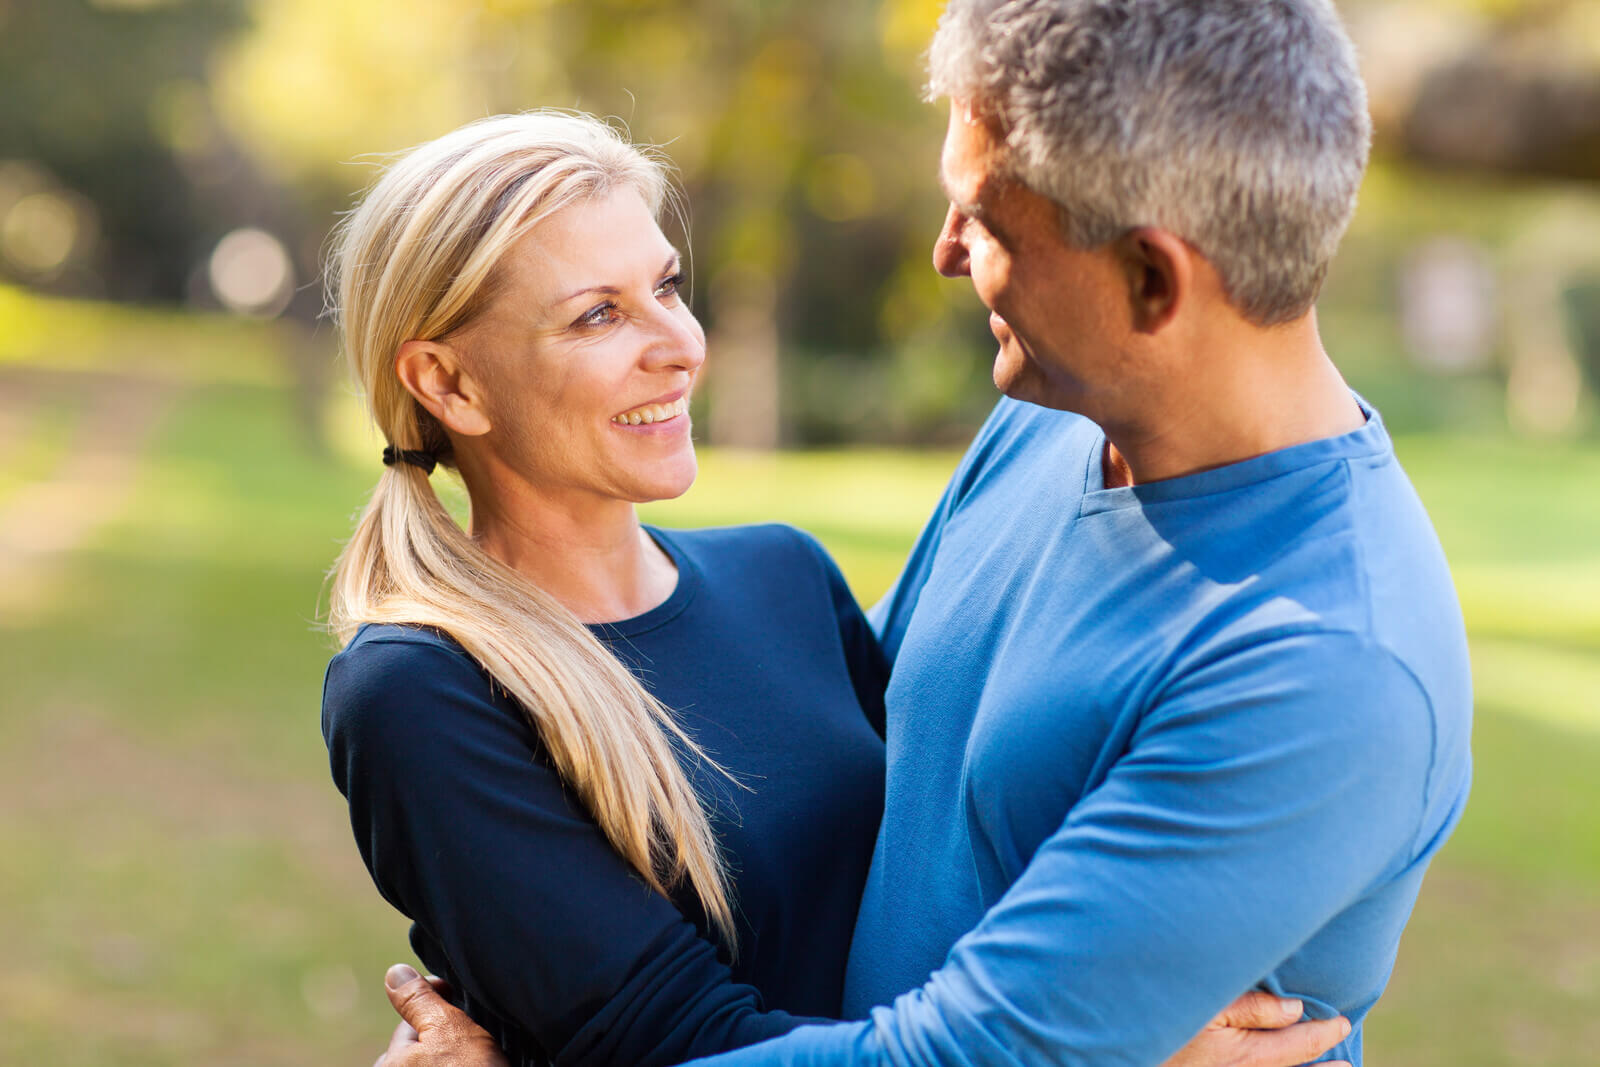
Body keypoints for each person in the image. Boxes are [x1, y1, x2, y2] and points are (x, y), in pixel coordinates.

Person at [380, 1, 1472, 1065]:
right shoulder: (1046, 428)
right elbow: (844, 782)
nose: (947, 252)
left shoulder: (1324, 667)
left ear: (1151, 278)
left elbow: (965, 1054)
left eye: (987, 222)